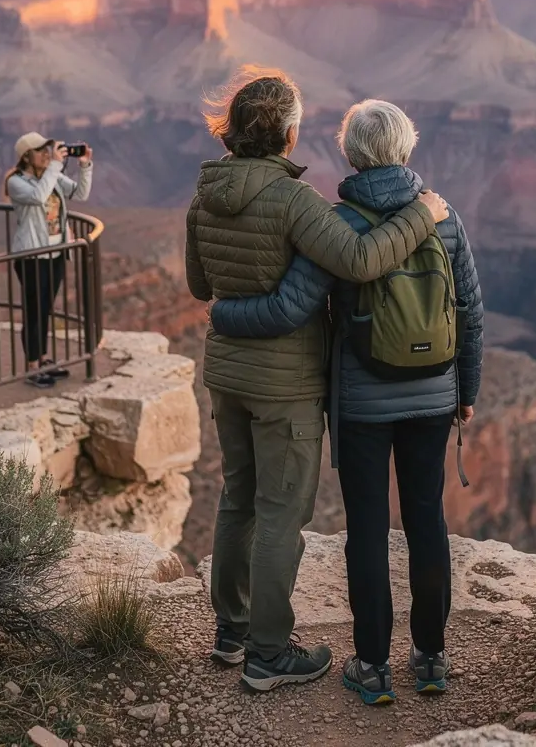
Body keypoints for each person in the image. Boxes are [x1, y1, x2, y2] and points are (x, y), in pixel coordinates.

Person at [185, 68, 450, 693]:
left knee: (238, 497)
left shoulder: (204, 195)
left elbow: (201, 287)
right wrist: (424, 213)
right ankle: (269, 654)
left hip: (226, 372)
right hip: (285, 383)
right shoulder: (296, 202)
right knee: (282, 511)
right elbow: (359, 258)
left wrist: (234, 297)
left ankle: (232, 631)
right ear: (289, 133)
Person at [5, 132, 93, 389]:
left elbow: (80, 194)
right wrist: (54, 165)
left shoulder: (51, 176)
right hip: (31, 255)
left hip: (56, 252)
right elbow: (38, 198)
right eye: (41, 151)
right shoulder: (16, 182)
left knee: (45, 308)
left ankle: (42, 358)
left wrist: (85, 165)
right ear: (26, 157)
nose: (47, 155)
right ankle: (32, 367)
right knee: (34, 310)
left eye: (49, 150)